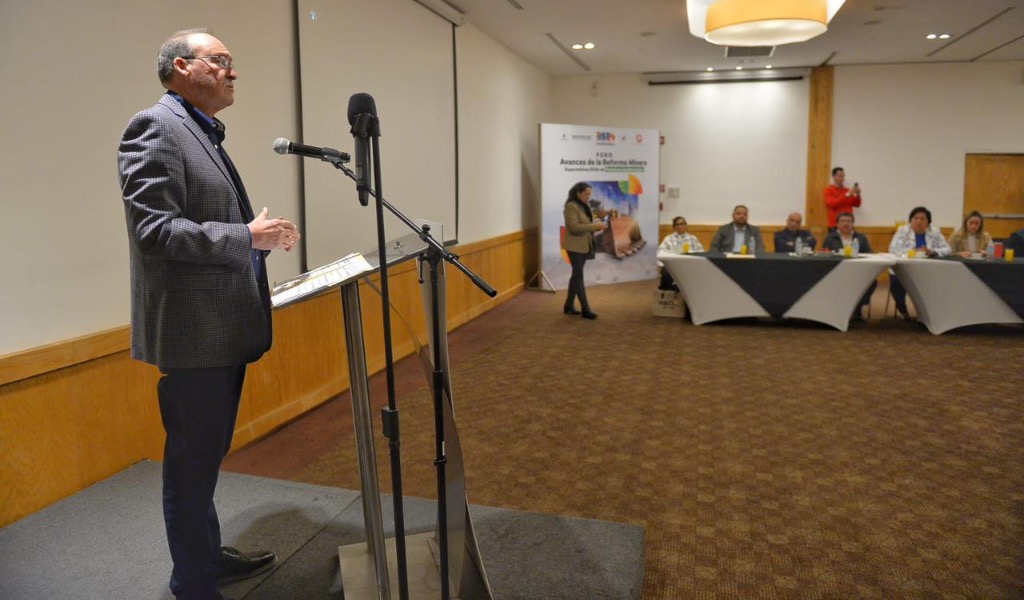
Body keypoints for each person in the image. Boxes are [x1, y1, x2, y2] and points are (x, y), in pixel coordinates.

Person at [118, 29, 299, 600]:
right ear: (181, 66)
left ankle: (204, 556)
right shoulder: (155, 126)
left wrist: (253, 242)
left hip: (218, 329)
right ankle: (193, 584)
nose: (232, 71)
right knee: (191, 466)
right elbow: (154, 231)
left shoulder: (200, 131)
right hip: (194, 335)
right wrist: (246, 236)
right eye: (220, 61)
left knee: (204, 460)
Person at [887, 206, 950, 320]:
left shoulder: (934, 232)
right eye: (915, 218)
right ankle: (903, 311)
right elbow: (893, 249)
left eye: (922, 219)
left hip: (927, 271)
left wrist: (932, 251)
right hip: (904, 269)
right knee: (896, 284)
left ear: (928, 222)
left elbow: (948, 249)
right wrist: (912, 252)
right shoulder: (903, 231)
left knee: (939, 284)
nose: (919, 221)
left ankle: (929, 314)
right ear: (910, 220)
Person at [562, 182, 606, 319]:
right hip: (574, 247)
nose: (588, 197)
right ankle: (585, 309)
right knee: (579, 276)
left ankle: (569, 305)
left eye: (590, 194)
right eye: (586, 194)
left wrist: (596, 226)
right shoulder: (570, 206)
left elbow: (586, 224)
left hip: (584, 245)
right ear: (578, 193)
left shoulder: (584, 206)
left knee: (576, 276)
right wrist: (595, 226)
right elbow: (574, 227)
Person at [822, 212, 875, 318]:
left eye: (849, 221)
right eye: (843, 221)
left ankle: (857, 308)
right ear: (837, 224)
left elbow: (870, 254)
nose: (846, 224)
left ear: (852, 224)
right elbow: (824, 254)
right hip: (836, 272)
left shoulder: (861, 237)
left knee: (873, 282)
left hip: (858, 272)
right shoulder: (830, 238)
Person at [657, 216, 703, 290]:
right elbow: (660, 252)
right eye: (677, 224)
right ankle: (670, 292)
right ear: (674, 227)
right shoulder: (668, 239)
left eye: (682, 224)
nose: (679, 226)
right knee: (666, 274)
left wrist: (691, 253)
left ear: (686, 225)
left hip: (689, 265)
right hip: (673, 265)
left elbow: (701, 251)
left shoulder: (692, 238)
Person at [824, 167, 862, 231]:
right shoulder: (828, 190)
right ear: (833, 177)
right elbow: (832, 204)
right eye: (840, 176)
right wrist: (847, 195)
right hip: (835, 225)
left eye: (843, 176)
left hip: (849, 225)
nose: (842, 178)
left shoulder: (847, 190)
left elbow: (857, 204)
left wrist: (858, 194)